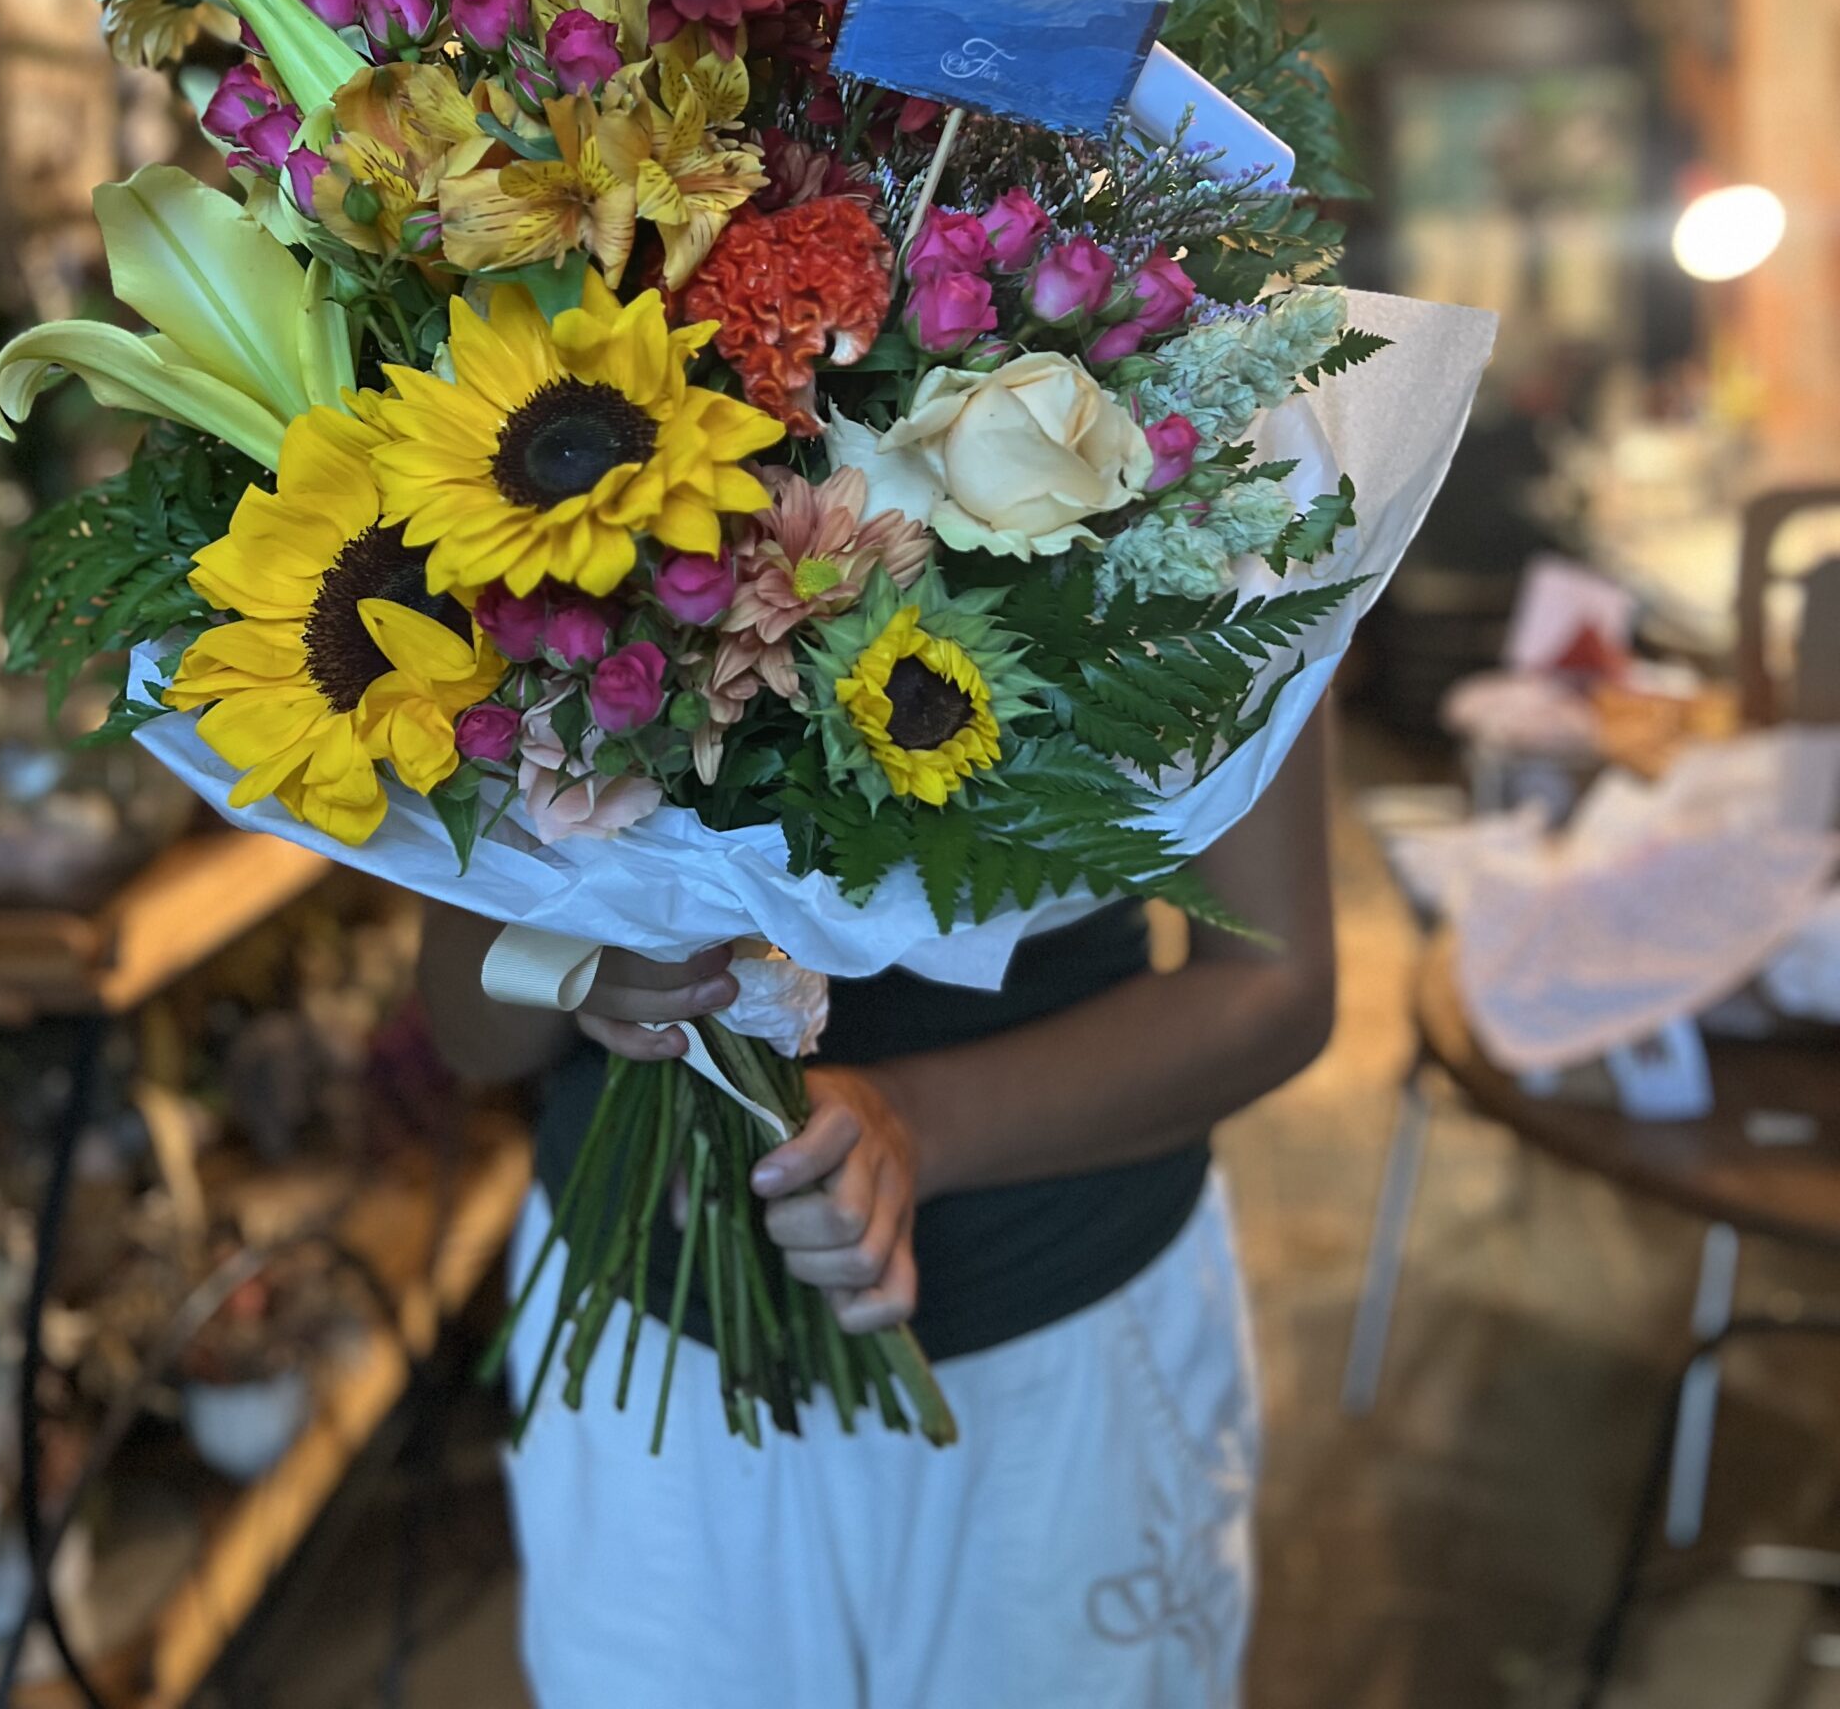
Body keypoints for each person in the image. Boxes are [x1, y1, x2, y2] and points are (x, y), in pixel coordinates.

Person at [417, 706, 1334, 1709]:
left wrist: (913, 1124)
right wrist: (582, 946)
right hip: (656, 1367)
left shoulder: (1209, 585)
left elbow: (1275, 982)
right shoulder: (492, 608)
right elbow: (469, 1032)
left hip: (1050, 1359)